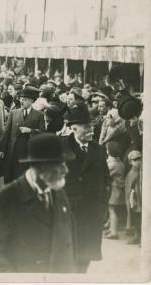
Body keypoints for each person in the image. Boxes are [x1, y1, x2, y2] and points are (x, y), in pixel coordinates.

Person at [0, 133, 76, 273]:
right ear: (40, 167)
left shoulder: (59, 193)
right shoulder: (6, 198)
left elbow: (69, 243)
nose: (65, 170)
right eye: (59, 164)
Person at [61, 103, 111, 273]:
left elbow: (106, 180)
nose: (91, 130)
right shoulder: (61, 147)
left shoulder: (98, 150)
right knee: (67, 255)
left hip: (92, 211)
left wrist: (103, 206)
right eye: (86, 127)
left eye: (92, 126)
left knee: (86, 256)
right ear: (73, 128)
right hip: (68, 210)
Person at [0, 86, 45, 183]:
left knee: (23, 178)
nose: (21, 102)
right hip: (12, 151)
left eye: (24, 100)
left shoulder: (39, 115)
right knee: (9, 177)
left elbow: (43, 132)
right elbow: (6, 132)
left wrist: (30, 131)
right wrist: (2, 149)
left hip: (27, 152)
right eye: (21, 99)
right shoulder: (14, 113)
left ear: (32, 101)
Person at [103, 141, 125, 240]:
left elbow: (106, 175)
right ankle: (112, 228)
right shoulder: (119, 162)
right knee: (112, 210)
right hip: (117, 190)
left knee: (112, 210)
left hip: (114, 190)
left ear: (109, 151)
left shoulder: (112, 164)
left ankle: (114, 232)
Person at [125, 150, 142, 245]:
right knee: (135, 219)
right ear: (130, 162)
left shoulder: (144, 172)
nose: (138, 161)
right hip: (134, 201)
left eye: (140, 159)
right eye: (135, 160)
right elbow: (128, 190)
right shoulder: (130, 174)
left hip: (142, 201)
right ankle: (137, 236)